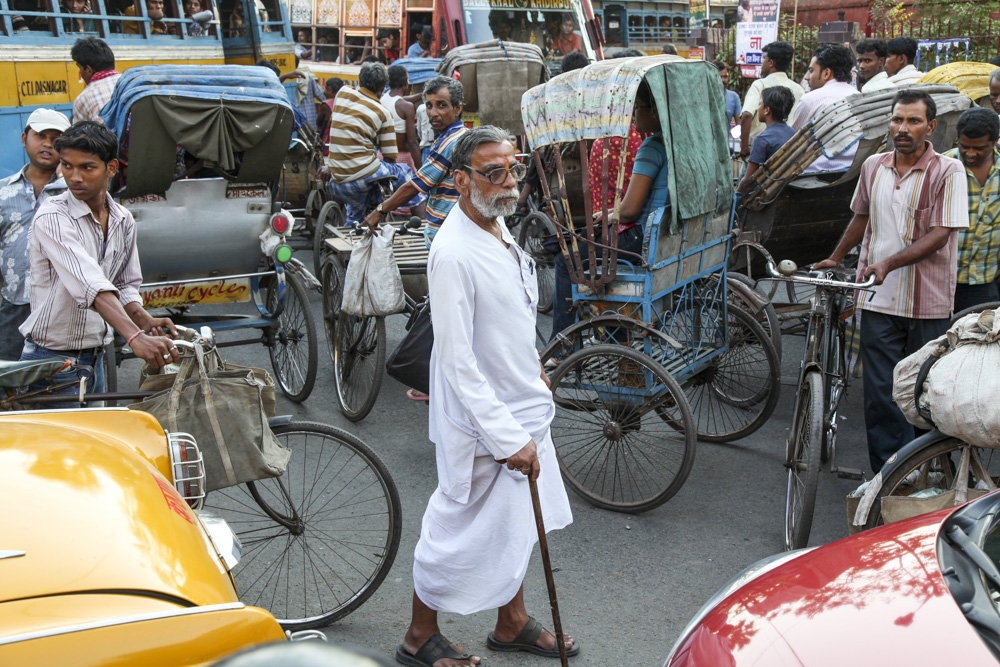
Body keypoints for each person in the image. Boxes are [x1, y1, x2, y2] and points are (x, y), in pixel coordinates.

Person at [397, 125, 575, 667]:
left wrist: (534, 370)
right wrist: (504, 437)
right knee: (454, 529)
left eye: (512, 169)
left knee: (517, 520)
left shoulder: (497, 228)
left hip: (520, 402)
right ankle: (418, 636)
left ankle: (511, 621)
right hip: (484, 421)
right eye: (491, 172)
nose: (506, 182)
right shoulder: (453, 252)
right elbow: (456, 359)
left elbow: (508, 322)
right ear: (460, 179)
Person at [813, 90, 968, 473]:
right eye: (898, 120)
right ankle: (888, 477)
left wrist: (888, 264)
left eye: (913, 121)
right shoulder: (873, 166)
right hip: (877, 301)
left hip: (927, 304)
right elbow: (861, 218)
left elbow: (940, 234)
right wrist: (836, 256)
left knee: (924, 395)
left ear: (930, 127)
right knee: (881, 395)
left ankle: (927, 472)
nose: (903, 128)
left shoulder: (949, 171)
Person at [20, 122, 180, 403]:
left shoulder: (122, 219)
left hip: (94, 360)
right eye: (67, 166)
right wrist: (134, 337)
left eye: (87, 167)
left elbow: (125, 284)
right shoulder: (52, 217)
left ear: (111, 168)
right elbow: (91, 285)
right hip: (53, 363)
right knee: (66, 448)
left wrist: (143, 319)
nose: (75, 177)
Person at [0, 109, 70, 360]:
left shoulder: (75, 193)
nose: (48, 144)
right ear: (24, 138)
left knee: (56, 389)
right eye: (41, 135)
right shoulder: (3, 192)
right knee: (7, 386)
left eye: (56, 138)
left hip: (63, 309)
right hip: (14, 305)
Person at [363, 76, 464, 245]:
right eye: (429, 106)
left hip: (446, 236)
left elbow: (414, 186)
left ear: (457, 108)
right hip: (451, 232)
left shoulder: (451, 142)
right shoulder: (457, 135)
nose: (433, 113)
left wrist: (379, 212)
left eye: (442, 105)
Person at [327, 62, 424, 225]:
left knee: (357, 214)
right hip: (359, 179)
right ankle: (424, 226)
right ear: (382, 87)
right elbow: (390, 158)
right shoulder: (382, 113)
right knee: (405, 172)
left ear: (360, 81)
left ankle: (355, 227)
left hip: (336, 180)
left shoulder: (342, 93)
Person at [943, 108, 1000, 313]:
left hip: (985, 280)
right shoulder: (942, 167)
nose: (970, 153)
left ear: (995, 142)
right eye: (964, 146)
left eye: (979, 148)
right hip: (941, 280)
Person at [791, 44, 859, 173]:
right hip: (851, 174)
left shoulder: (811, 100)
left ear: (826, 73)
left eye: (811, 71)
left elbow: (793, 141)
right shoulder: (860, 98)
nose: (806, 77)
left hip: (811, 176)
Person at [738, 41, 804, 158]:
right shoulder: (798, 89)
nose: (761, 62)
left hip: (760, 153)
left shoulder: (760, 85)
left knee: (747, 177)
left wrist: (744, 148)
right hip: (788, 152)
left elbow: (747, 115)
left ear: (771, 63)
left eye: (764, 58)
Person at [738, 86, 795, 191]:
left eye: (760, 104)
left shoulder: (761, 139)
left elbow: (748, 180)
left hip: (767, 195)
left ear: (767, 110)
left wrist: (736, 196)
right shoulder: (794, 134)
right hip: (789, 190)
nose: (758, 107)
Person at [71, 37, 121, 124]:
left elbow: (78, 135)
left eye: (80, 68)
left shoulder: (83, 98)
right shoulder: (130, 82)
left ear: (89, 70)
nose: (80, 73)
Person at [382, 65, 422, 170]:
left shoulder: (383, 99)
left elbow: (401, 99)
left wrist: (422, 95)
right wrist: (421, 171)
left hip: (381, 157)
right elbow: (412, 142)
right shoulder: (406, 107)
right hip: (402, 160)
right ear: (405, 83)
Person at [286, 55, 325, 133]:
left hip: (294, 123)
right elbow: (322, 96)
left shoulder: (285, 79)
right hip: (309, 122)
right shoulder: (308, 78)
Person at [712, 59, 742, 124]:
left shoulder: (734, 97)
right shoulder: (706, 96)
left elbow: (739, 124)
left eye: (725, 77)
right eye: (719, 76)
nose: (722, 80)